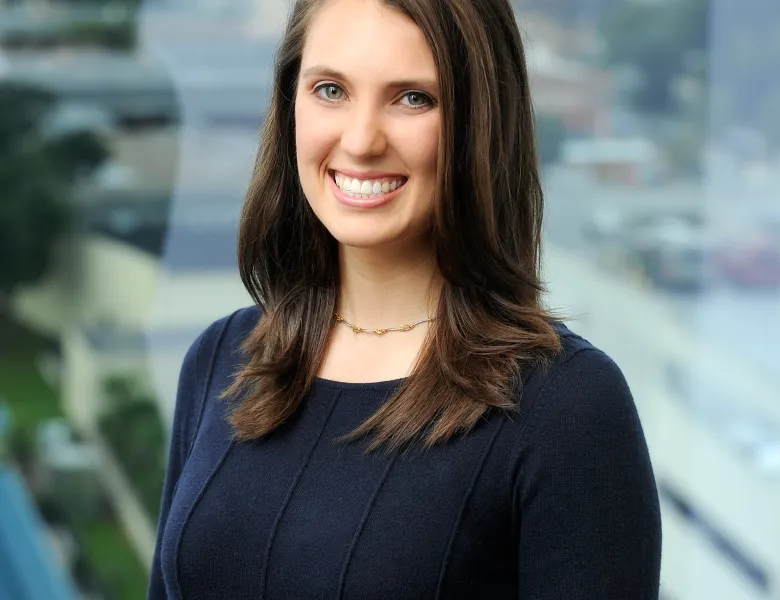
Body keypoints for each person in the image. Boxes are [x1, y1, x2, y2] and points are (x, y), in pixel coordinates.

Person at [147, 0, 662, 597]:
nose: (361, 140)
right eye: (330, 89)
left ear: (480, 122)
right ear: (290, 102)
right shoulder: (223, 358)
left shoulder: (568, 410)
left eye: (412, 97)